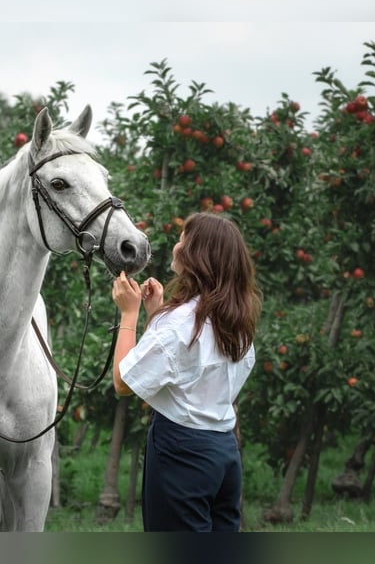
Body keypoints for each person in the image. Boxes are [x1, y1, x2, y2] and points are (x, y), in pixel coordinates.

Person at [111, 212, 262, 532]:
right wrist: (155, 314)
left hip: (182, 453)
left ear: (196, 256)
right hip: (224, 453)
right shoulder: (237, 322)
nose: (176, 246)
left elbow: (124, 382)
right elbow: (185, 373)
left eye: (182, 240)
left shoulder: (178, 323)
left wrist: (130, 313)